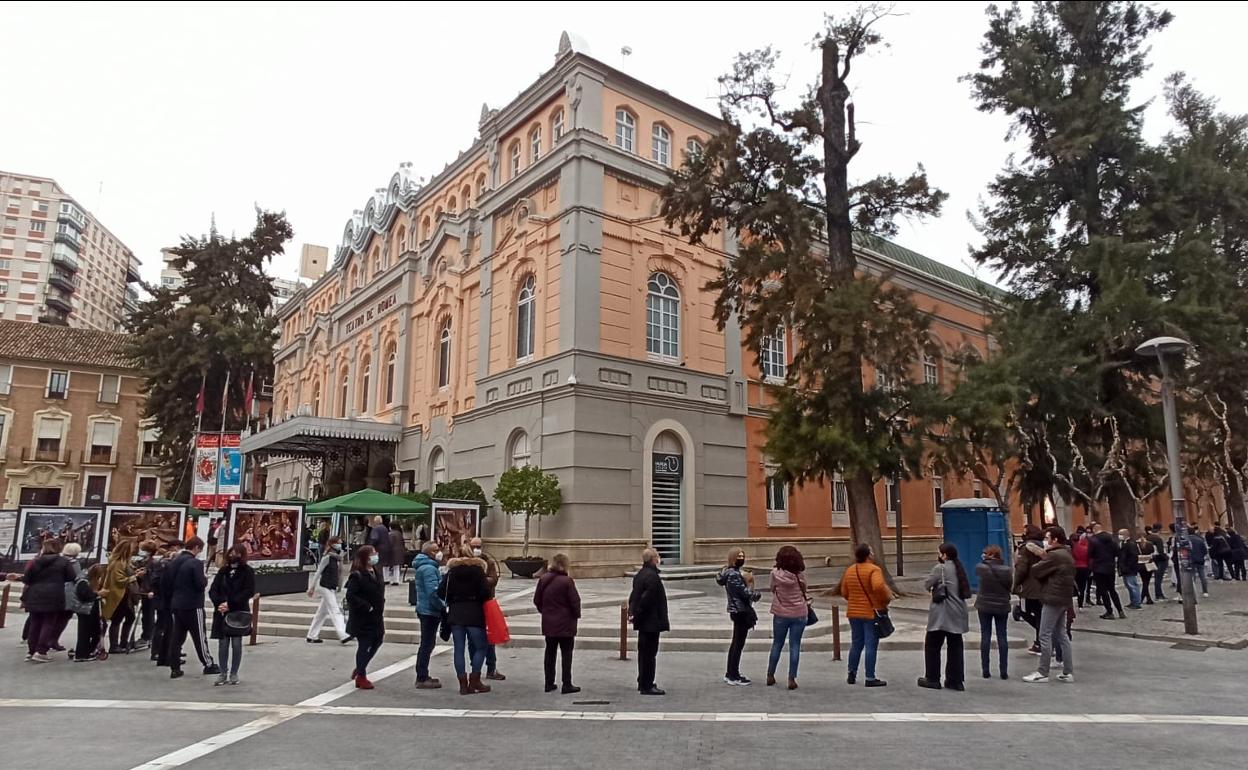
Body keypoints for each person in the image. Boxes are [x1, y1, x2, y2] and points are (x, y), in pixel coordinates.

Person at [1023, 526, 1077, 684]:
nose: (1045, 541)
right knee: (1062, 635)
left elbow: (1035, 571)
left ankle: (1042, 672)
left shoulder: (1054, 555)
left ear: (1055, 539)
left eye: (1048, 538)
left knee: (1044, 635)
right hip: (1064, 598)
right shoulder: (1066, 552)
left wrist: (1041, 554)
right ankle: (1068, 671)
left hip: (1052, 598)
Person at [918, 543, 971, 691]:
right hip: (958, 613)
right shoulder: (959, 568)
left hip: (942, 614)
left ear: (944, 555)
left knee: (932, 646)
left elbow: (927, 585)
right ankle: (955, 680)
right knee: (955, 647)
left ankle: (932, 678)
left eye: (940, 553)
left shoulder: (939, 568)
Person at [438, 548, 492, 694]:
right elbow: (486, 593)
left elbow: (441, 592)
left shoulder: (451, 572)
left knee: (459, 648)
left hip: (456, 613)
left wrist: (452, 599)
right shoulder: (478, 571)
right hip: (474, 612)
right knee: (481, 647)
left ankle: (462, 684)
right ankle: (475, 680)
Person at [166, 537, 219, 679]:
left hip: (176, 603)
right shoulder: (195, 563)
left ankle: (175, 667)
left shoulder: (174, 561)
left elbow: (167, 582)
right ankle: (208, 664)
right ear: (196, 547)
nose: (200, 552)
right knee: (199, 636)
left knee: (177, 636)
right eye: (200, 549)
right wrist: (205, 579)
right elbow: (200, 584)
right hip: (193, 603)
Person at [838, 543, 891, 687]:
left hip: (854, 612)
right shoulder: (874, 570)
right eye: (872, 551)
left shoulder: (850, 570)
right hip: (871, 612)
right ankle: (870, 677)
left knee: (856, 643)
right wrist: (885, 599)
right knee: (870, 645)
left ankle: (851, 673)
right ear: (868, 555)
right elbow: (879, 586)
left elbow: (844, 591)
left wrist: (853, 600)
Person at [20, 538, 75, 662]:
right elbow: (71, 577)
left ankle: (31, 650)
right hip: (54, 595)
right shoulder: (64, 562)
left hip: (34, 595)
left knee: (35, 622)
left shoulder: (35, 561)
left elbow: (27, 579)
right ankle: (41, 651)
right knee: (48, 623)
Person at [534, 552, 582, 694]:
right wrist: (576, 615)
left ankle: (549, 683)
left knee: (550, 652)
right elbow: (575, 602)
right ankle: (566, 683)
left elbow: (537, 600)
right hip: (566, 623)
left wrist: (546, 612)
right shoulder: (567, 582)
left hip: (549, 622)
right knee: (567, 654)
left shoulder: (543, 579)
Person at [208, 544, 256, 685]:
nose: (232, 555)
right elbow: (213, 590)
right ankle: (223, 672)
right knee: (223, 644)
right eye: (231, 553)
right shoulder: (223, 571)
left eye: (236, 553)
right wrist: (220, 604)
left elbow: (249, 591)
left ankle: (234, 673)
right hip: (222, 612)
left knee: (236, 643)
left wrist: (231, 604)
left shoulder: (247, 571)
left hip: (238, 611)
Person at [767, 545, 809, 691]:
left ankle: (770, 675)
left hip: (780, 612)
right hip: (799, 612)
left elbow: (772, 589)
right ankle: (791, 678)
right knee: (795, 645)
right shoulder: (800, 575)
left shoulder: (774, 573)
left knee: (777, 643)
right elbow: (804, 589)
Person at [628, 548, 670, 696]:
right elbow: (646, 599)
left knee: (643, 653)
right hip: (651, 622)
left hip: (644, 621)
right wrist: (637, 613)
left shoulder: (640, 575)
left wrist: (632, 613)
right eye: (657, 556)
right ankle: (647, 684)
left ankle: (642, 681)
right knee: (649, 654)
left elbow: (634, 596)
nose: (659, 558)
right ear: (653, 559)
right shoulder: (652, 577)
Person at [716, 547, 760, 686]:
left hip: (737, 610)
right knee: (738, 644)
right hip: (740, 611)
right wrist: (754, 593)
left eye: (743, 555)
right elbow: (743, 592)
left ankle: (732, 672)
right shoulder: (734, 575)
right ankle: (733, 674)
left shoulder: (730, 573)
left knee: (736, 643)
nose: (742, 558)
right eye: (739, 556)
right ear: (733, 558)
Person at [345, 545, 386, 689]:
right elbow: (350, 595)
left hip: (377, 616)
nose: (375, 555)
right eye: (372, 553)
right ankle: (361, 676)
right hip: (363, 617)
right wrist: (366, 606)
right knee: (365, 645)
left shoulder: (375, 570)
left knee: (378, 640)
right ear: (365, 557)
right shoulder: (357, 575)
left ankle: (360, 666)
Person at [468, 536, 507, 680]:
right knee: (472, 637)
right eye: (473, 546)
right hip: (471, 605)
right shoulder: (465, 561)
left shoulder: (488, 562)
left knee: (490, 636)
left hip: (486, 602)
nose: (476, 549)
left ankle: (491, 667)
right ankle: (475, 667)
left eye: (478, 546)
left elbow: (493, 579)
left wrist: (480, 580)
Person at [974, 544, 1012, 680]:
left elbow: (979, 568)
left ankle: (985, 670)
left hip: (984, 605)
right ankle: (1003, 671)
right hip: (1002, 605)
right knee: (1002, 636)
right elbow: (1009, 587)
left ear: (991, 555)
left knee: (985, 636)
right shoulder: (1007, 570)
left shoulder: (981, 568)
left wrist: (985, 560)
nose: (983, 555)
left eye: (986, 553)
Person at [411, 542, 445, 689]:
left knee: (427, 643)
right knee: (427, 644)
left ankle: (423, 674)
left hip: (425, 609)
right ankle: (422, 676)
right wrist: (443, 607)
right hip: (429, 611)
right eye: (436, 550)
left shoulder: (425, 567)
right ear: (429, 553)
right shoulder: (429, 569)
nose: (439, 553)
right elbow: (433, 592)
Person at [102, 539, 144, 654]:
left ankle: (124, 642)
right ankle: (114, 646)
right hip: (119, 595)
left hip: (126, 595)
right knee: (117, 619)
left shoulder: (125, 562)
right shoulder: (118, 563)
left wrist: (134, 572)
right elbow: (119, 580)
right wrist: (135, 576)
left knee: (129, 617)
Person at [307, 536, 352, 644]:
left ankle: (312, 635)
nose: (340, 545)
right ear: (332, 544)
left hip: (331, 586)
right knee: (335, 610)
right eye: (338, 543)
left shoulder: (337, 558)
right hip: (324, 586)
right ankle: (343, 634)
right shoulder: (327, 557)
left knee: (321, 612)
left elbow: (339, 573)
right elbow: (318, 572)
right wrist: (311, 587)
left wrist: (339, 586)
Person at [1012, 524, 1045, 653]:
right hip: (1042, 585)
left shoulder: (1025, 548)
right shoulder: (1043, 546)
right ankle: (1041, 639)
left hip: (1028, 587)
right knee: (1039, 613)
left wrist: (1015, 585)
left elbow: (1021, 569)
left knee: (1024, 612)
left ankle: (1041, 639)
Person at [151, 541, 182, 664]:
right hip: (164, 601)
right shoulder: (165, 569)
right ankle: (159, 652)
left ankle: (164, 653)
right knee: (164, 627)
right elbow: (160, 583)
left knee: (165, 627)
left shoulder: (161, 567)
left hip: (162, 600)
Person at [1088, 522, 1124, 619]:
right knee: (1112, 590)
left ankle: (1109, 612)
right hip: (1110, 567)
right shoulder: (1111, 538)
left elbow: (1090, 554)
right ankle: (1120, 610)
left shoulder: (1093, 540)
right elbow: (1117, 552)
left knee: (1103, 591)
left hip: (1099, 567)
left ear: (1094, 530)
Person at [135, 540, 158, 647]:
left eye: (143, 550)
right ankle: (147, 635)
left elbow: (153, 578)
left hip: (149, 591)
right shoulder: (145, 562)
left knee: (148, 615)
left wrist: (143, 576)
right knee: (146, 615)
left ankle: (148, 636)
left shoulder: (152, 563)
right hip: (145, 591)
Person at [1118, 529, 1143, 610]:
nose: (1119, 536)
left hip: (1130, 569)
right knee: (1129, 586)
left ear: (1126, 534)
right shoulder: (1123, 543)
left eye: (1121, 534)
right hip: (1126, 569)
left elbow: (1133, 557)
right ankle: (1133, 602)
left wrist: (1127, 567)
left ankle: (1136, 603)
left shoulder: (1131, 544)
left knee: (1133, 586)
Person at [1147, 524, 1169, 600]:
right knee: (1158, 578)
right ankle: (1159, 594)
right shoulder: (1158, 539)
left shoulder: (1147, 537)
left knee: (1154, 578)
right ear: (1159, 531)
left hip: (1152, 559)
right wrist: (1166, 558)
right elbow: (1161, 551)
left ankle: (1154, 595)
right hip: (1160, 560)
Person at [1186, 527, 1210, 597]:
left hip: (1190, 559)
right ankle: (1205, 591)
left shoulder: (1186, 540)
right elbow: (1205, 551)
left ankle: (1193, 591)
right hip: (1200, 559)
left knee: (1192, 576)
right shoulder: (1200, 540)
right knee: (1202, 576)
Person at [1071, 529, 1092, 608]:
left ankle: (1077, 599)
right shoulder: (1085, 548)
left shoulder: (1072, 549)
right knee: (1083, 587)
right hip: (1084, 568)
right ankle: (1081, 603)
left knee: (1076, 585)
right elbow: (1089, 559)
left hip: (1075, 568)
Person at [382, 522, 405, 586]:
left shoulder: (390, 534)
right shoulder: (400, 534)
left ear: (391, 527)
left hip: (390, 552)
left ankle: (386, 579)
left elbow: (389, 543)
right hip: (399, 553)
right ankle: (396, 580)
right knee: (396, 567)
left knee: (385, 566)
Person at [1136, 533, 1156, 605]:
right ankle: (1143, 597)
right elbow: (1153, 552)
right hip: (1148, 564)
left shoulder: (1136, 545)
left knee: (1144, 581)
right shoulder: (1150, 544)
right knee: (1146, 582)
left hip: (1140, 565)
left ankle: (1147, 598)